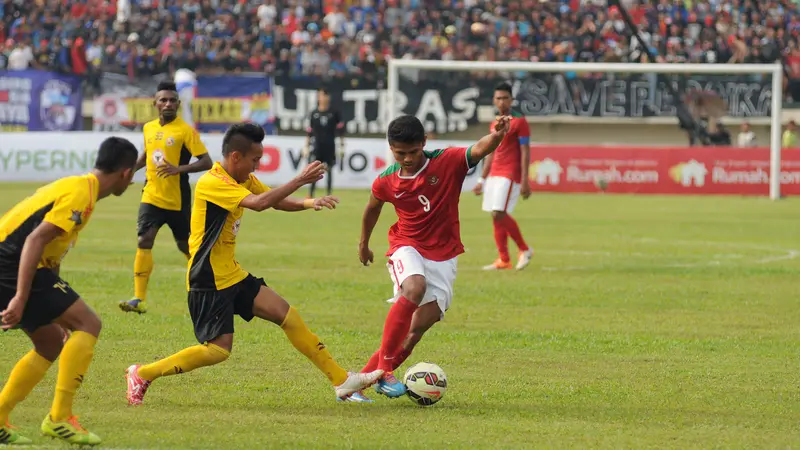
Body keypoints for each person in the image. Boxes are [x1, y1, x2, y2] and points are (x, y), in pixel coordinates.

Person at [124, 123, 383, 406]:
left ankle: (341, 381)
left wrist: (310, 202)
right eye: (255, 160)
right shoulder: (214, 182)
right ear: (236, 156)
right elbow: (259, 203)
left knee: (288, 316)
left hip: (231, 273)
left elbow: (274, 200)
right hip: (208, 278)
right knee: (217, 351)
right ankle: (143, 372)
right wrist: (300, 180)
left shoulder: (242, 179)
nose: (257, 166)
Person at [353, 114, 511, 402]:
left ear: (424, 144)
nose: (408, 158)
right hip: (406, 244)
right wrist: (363, 244)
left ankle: (358, 384)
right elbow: (372, 208)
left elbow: (478, 149)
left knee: (414, 332)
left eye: (413, 152)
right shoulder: (386, 180)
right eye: (400, 153)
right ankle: (386, 370)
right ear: (391, 148)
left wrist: (498, 136)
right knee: (414, 287)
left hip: (444, 255)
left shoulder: (446, 161)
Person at [0, 137, 139, 446]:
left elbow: (49, 250)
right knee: (89, 323)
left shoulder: (81, 187)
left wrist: (57, 310)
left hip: (13, 261)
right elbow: (35, 241)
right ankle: (60, 418)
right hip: (10, 262)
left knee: (50, 343)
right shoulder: (81, 195)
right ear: (126, 174)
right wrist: (21, 297)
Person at [120, 81, 213, 315]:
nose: (168, 104)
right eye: (163, 100)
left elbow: (206, 161)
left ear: (178, 104)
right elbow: (147, 154)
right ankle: (138, 298)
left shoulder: (185, 131)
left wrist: (178, 169)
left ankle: (211, 283)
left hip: (177, 200)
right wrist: (131, 170)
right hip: (151, 195)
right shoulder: (149, 128)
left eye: (172, 100)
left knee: (186, 246)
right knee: (144, 240)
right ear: (155, 104)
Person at [472, 83, 534, 271]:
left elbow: (525, 151)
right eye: (498, 98)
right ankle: (503, 259)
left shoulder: (520, 122)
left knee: (499, 212)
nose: (501, 101)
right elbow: (490, 152)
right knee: (495, 215)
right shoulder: (495, 123)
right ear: (494, 100)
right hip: (494, 173)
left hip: (509, 173)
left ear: (511, 100)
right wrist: (482, 179)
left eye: (505, 98)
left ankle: (524, 249)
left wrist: (525, 179)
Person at [303, 88, 344, 198]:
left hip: (330, 145)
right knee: (315, 169)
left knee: (329, 169)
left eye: (325, 95)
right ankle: (311, 193)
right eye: (321, 95)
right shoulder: (314, 113)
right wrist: (306, 146)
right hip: (317, 145)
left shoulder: (334, 112)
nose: (323, 98)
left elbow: (340, 130)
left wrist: (342, 144)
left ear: (328, 97)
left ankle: (329, 194)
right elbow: (309, 130)